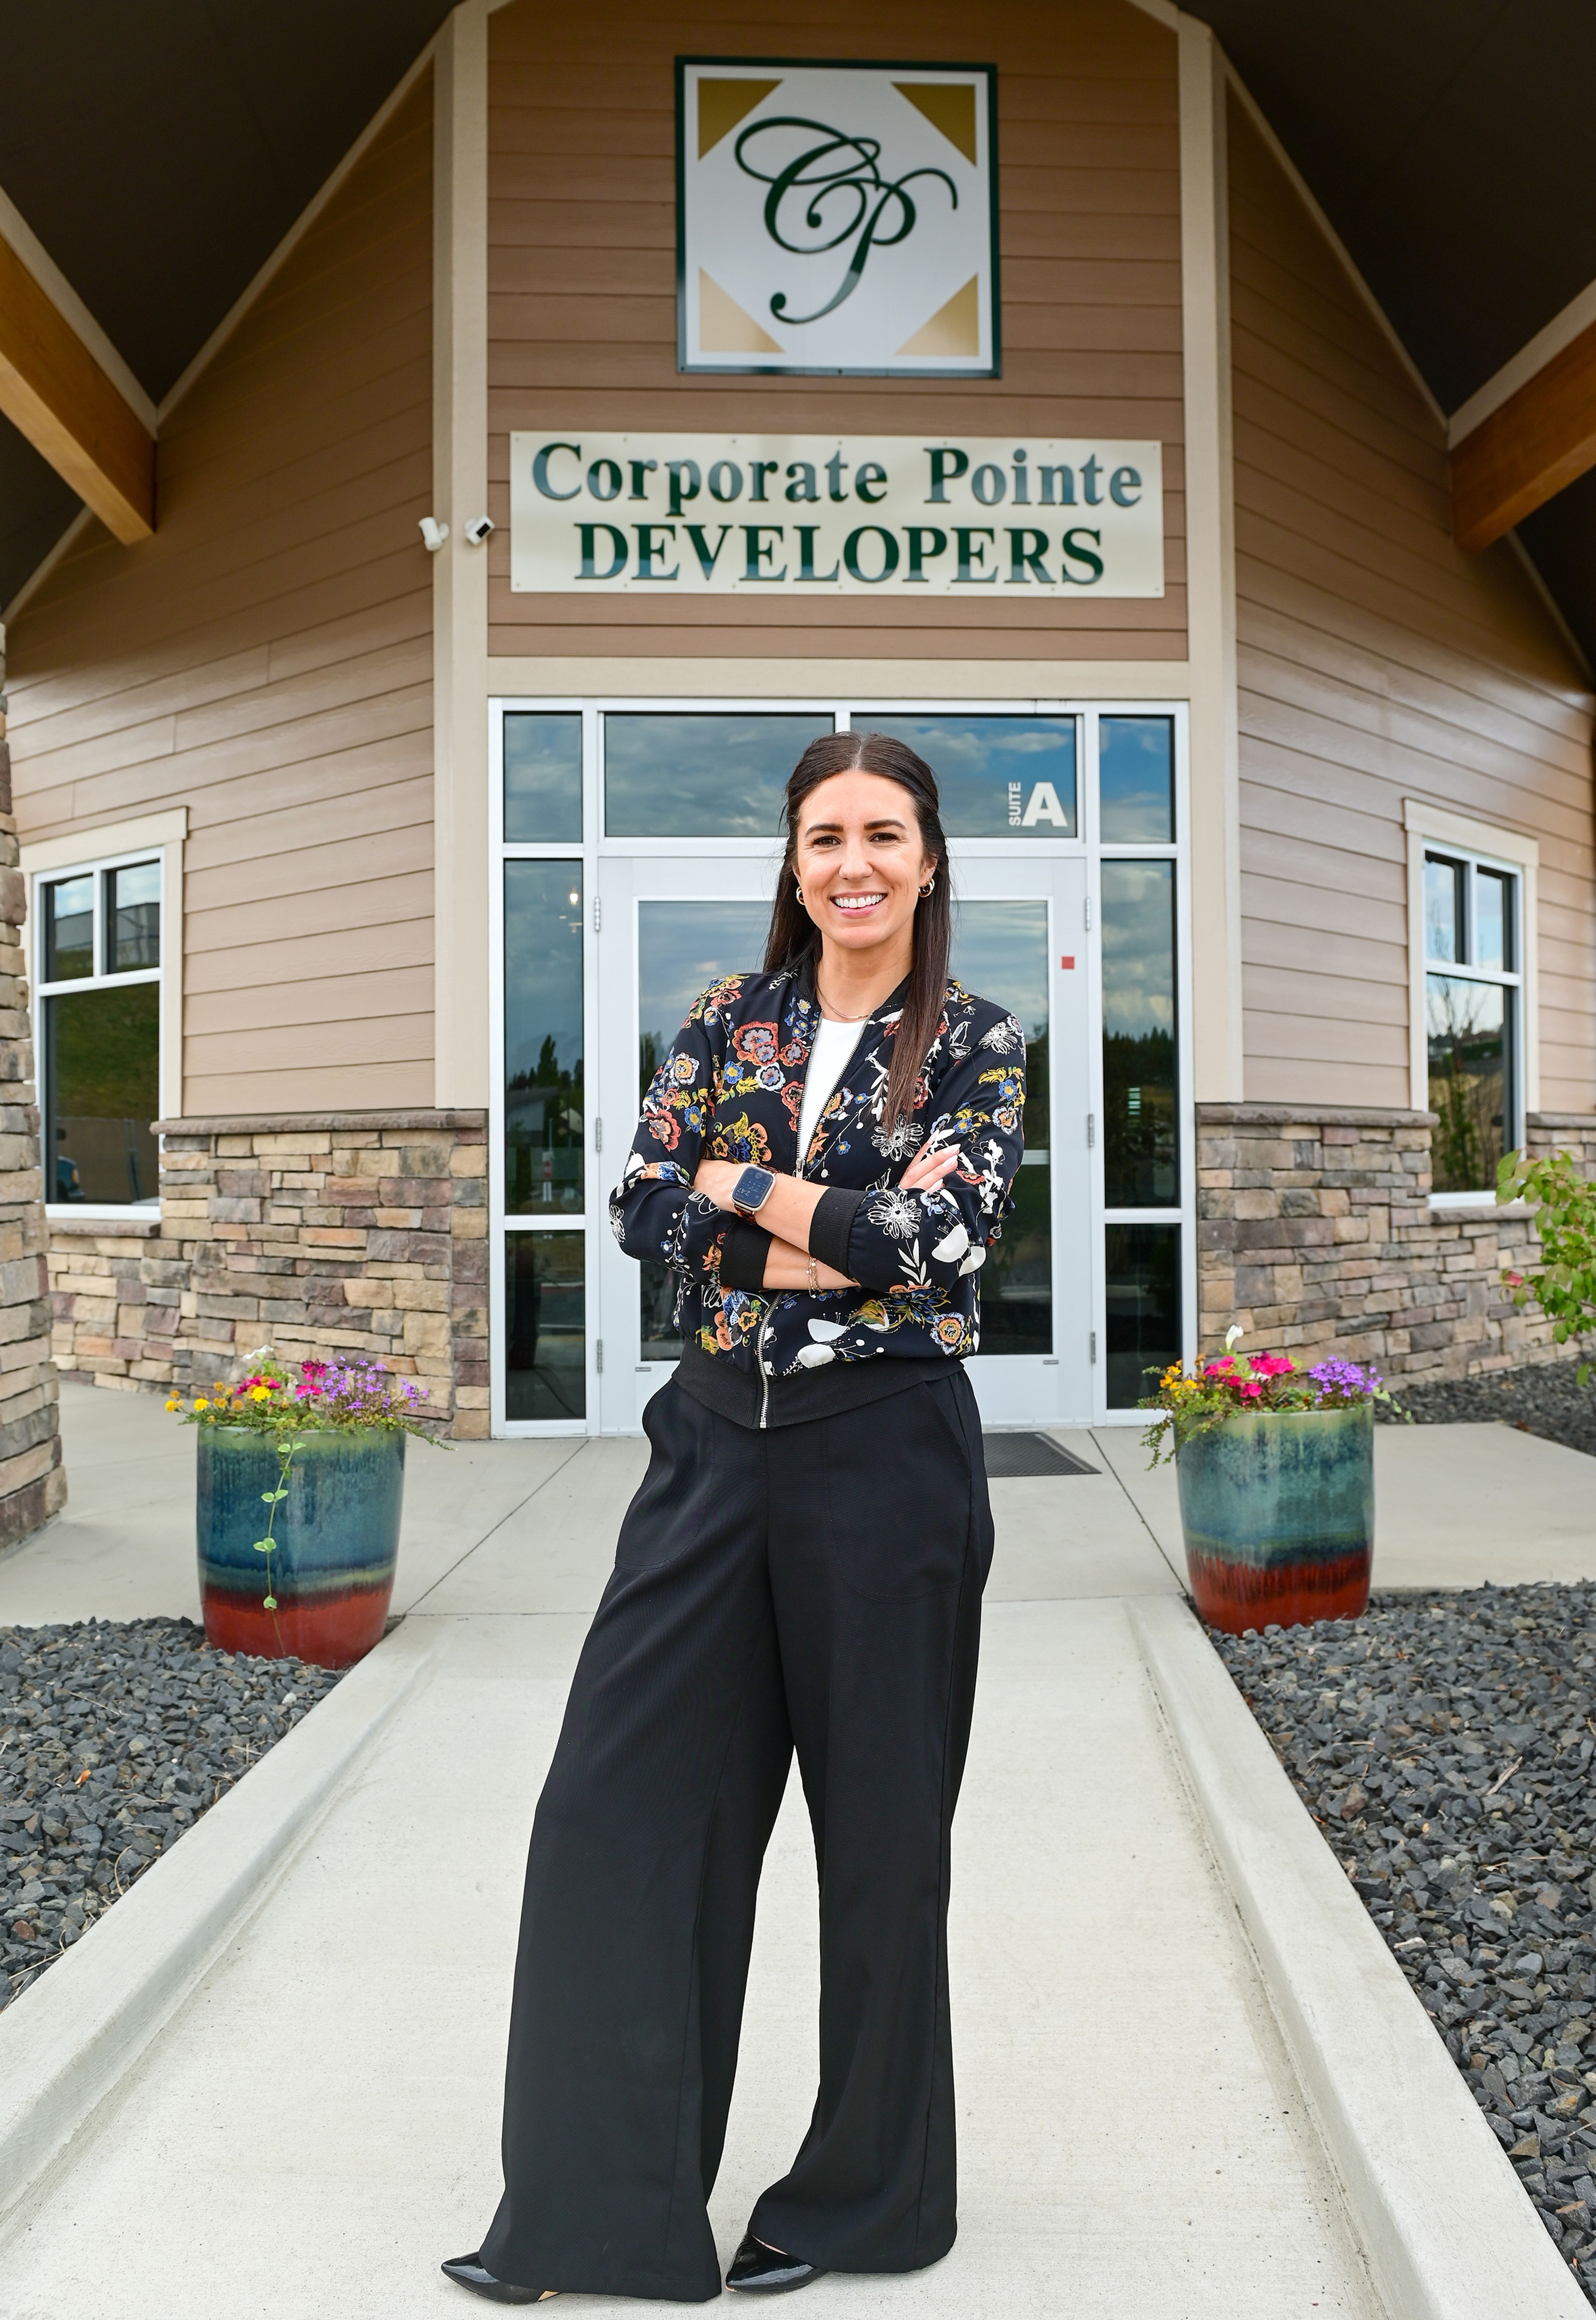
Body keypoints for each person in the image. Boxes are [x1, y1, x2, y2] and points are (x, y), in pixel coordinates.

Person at [444, 730, 1027, 2305]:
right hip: (707, 1452)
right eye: (827, 833)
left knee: (883, 1843)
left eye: (886, 834)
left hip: (887, 1466)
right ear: (792, 857)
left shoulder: (978, 1041)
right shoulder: (725, 1019)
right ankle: (592, 2211)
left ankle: (866, 2203)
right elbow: (637, 1210)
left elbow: (939, 1242)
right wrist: (801, 1226)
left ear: (928, 859)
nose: (856, 862)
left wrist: (740, 1191)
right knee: (612, 1817)